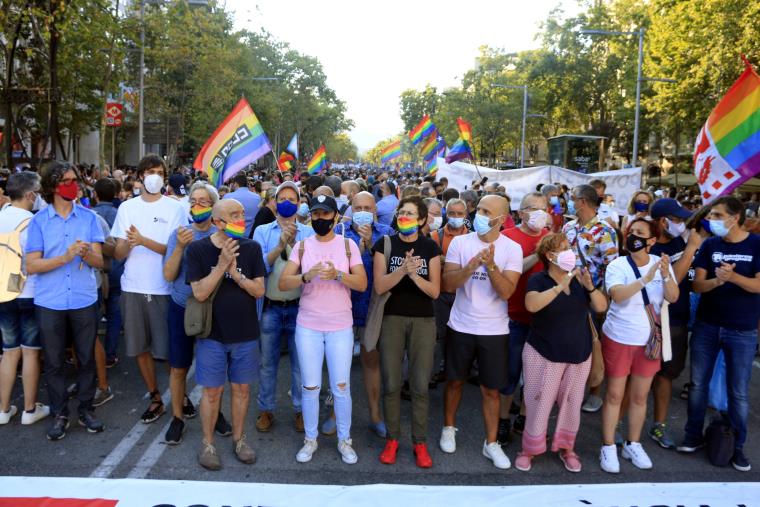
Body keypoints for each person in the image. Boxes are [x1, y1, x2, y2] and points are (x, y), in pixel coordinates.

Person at [279, 194, 367, 465]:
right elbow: (284, 283)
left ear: (335, 217)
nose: (320, 219)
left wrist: (338, 275)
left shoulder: (349, 245)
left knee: (341, 387)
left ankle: (344, 440)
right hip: (308, 326)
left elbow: (362, 284)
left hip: (340, 326)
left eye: (325, 214)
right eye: (315, 215)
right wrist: (307, 275)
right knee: (310, 387)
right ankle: (310, 439)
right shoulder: (302, 246)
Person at [677, 196, 760, 472]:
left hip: (742, 330)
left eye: (716, 214)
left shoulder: (757, 244)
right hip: (707, 325)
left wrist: (734, 278)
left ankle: (736, 447)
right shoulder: (710, 244)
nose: (710, 219)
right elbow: (697, 286)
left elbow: (758, 286)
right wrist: (717, 280)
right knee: (698, 385)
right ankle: (692, 436)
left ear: (734, 218)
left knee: (737, 392)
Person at [440, 195, 522, 470]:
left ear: (501, 219)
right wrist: (473, 264)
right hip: (460, 325)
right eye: (480, 209)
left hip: (494, 330)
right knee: (454, 382)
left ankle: (491, 443)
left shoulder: (512, 249)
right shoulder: (461, 243)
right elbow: (449, 285)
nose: (481, 215)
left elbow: (507, 292)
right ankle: (449, 427)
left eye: (488, 212)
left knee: (491, 389)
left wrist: (491, 265)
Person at [25, 162, 105, 440]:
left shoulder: (89, 218)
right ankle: (60, 413)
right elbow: (32, 265)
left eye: (76, 180)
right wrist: (65, 257)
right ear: (53, 187)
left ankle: (85, 409)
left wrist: (85, 254)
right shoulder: (38, 221)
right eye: (68, 181)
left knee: (86, 359)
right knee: (55, 362)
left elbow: (100, 261)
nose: (75, 185)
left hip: (83, 298)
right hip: (50, 302)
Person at [516, 233, 607, 472]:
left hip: (579, 354)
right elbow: (532, 305)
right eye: (564, 248)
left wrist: (589, 286)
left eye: (569, 247)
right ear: (549, 255)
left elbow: (600, 307)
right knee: (538, 404)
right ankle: (529, 449)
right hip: (543, 353)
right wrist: (560, 287)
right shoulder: (539, 279)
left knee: (572, 404)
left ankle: (568, 449)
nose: (570, 253)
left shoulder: (579, 280)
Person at [186, 199, 266, 470]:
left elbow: (259, 290)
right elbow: (199, 293)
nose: (241, 218)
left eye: (242, 214)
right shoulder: (197, 250)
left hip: (245, 333)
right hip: (212, 335)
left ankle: (239, 440)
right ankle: (208, 444)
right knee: (211, 392)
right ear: (218, 221)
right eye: (234, 215)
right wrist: (221, 266)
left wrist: (236, 274)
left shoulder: (252, 248)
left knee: (242, 390)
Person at [112, 154, 187, 424]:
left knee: (169, 350)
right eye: (149, 171)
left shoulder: (175, 209)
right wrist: (129, 243)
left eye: (158, 171)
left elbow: (176, 249)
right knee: (139, 347)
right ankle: (155, 396)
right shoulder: (126, 208)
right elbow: (119, 253)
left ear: (164, 177)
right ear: (140, 175)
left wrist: (143, 240)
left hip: (164, 288)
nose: (154, 176)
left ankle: (181, 395)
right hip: (133, 287)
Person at [599, 218, 678, 474]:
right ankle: (608, 445)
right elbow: (618, 296)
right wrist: (646, 280)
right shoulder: (617, 264)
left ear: (652, 241)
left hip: (648, 342)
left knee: (640, 396)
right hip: (619, 338)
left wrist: (665, 275)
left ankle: (633, 443)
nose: (634, 236)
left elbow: (673, 297)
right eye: (631, 231)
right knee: (614, 395)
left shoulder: (661, 264)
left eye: (640, 233)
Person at [373, 196, 441, 468]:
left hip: (423, 321)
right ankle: (392, 439)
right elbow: (379, 287)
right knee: (391, 383)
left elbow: (435, 291)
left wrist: (414, 276)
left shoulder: (430, 247)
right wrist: (402, 270)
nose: (404, 217)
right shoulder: (385, 244)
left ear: (422, 219)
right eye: (401, 212)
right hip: (392, 319)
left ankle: (420, 442)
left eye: (410, 213)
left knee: (420, 385)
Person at [162, 182, 225, 445]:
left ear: (213, 206)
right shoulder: (179, 234)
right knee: (179, 367)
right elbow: (167, 275)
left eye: (203, 202)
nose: (197, 206)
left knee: (214, 366)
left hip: (213, 308)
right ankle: (177, 418)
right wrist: (178, 247)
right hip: (181, 307)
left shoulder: (222, 235)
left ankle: (216, 413)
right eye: (193, 202)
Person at [252, 181, 314, 434]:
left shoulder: (309, 233)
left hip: (301, 308)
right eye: (282, 198)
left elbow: (310, 270)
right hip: (270, 308)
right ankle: (266, 408)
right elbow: (259, 266)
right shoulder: (262, 232)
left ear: (299, 204)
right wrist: (279, 245)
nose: (287, 202)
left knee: (301, 364)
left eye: (293, 198)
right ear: (274, 202)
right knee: (268, 363)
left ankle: (301, 410)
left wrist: (295, 241)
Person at [334, 191, 393, 438]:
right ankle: (333, 414)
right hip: (342, 306)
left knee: (371, 361)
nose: (363, 212)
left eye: (367, 207)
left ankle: (375, 415)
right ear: (351, 209)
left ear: (375, 211)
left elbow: (389, 268)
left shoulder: (387, 233)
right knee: (339, 365)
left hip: (372, 307)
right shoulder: (339, 232)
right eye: (358, 207)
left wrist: (369, 246)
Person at [648, 198, 702, 449]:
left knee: (667, 376)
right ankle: (616, 427)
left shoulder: (683, 240)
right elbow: (674, 282)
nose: (682, 224)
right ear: (662, 221)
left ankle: (658, 426)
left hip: (677, 322)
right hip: (650, 321)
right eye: (677, 219)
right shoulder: (647, 247)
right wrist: (690, 250)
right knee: (636, 377)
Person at [497, 192, 550, 443]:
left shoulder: (551, 238)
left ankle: (525, 415)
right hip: (512, 317)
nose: (539, 214)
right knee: (510, 372)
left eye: (543, 209)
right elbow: (508, 275)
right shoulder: (507, 238)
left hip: (542, 320)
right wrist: (537, 254)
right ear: (520, 212)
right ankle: (503, 418)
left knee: (536, 375)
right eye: (533, 208)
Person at [562, 184, 618, 413]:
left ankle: (594, 389)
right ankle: (567, 388)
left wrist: (603, 298)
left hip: (592, 294)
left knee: (593, 341)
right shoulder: (568, 227)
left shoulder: (605, 231)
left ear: (582, 201)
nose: (570, 202)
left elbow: (612, 266)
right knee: (569, 340)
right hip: (567, 293)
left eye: (572, 198)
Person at [0, 171, 49, 426]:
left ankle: (3, 408)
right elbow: (38, 261)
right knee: (30, 353)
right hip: (30, 292)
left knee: (9, 352)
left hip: (3, 293)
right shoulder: (33, 222)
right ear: (30, 195)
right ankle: (30, 409)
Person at [430, 198, 470, 380]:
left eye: (459, 214)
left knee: (463, 336)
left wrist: (446, 260)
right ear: (446, 214)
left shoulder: (472, 236)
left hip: (464, 294)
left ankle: (461, 370)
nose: (455, 217)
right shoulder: (435, 236)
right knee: (440, 336)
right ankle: (437, 370)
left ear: (466, 215)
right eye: (451, 213)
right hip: (440, 294)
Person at [93, 179, 122, 368]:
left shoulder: (88, 215)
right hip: (115, 271)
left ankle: (88, 354)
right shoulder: (118, 214)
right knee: (114, 314)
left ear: (95, 194)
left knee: (91, 320)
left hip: (93, 272)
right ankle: (110, 355)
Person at [223, 173, 260, 238]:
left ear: (236, 184)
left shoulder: (227, 196)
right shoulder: (257, 197)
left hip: (232, 235)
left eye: (233, 184)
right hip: (251, 235)